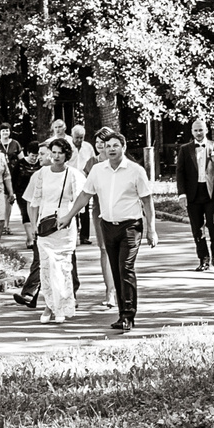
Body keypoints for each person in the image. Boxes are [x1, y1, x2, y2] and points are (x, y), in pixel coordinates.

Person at [84, 127, 152, 334]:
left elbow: (147, 202)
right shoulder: (98, 170)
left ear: (123, 147)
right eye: (108, 146)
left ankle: (128, 315)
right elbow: (85, 195)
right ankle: (122, 314)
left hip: (131, 227)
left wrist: (152, 230)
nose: (111, 149)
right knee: (115, 269)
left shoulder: (135, 171)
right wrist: (68, 217)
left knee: (125, 268)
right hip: (107, 225)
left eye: (115, 145)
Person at [23, 137, 87, 322]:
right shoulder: (42, 173)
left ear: (67, 155)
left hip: (65, 223)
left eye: (60, 153)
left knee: (63, 267)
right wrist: (34, 225)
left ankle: (62, 307)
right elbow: (34, 201)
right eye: (54, 152)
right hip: (45, 224)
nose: (57, 156)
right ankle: (49, 306)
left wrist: (69, 217)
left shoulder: (74, 174)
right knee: (46, 266)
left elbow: (80, 202)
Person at [173, 117, 214, 270]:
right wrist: (181, 194)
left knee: (213, 225)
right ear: (191, 132)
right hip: (192, 194)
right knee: (197, 228)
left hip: (211, 194)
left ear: (206, 130)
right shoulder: (185, 149)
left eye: (201, 130)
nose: (198, 133)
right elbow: (180, 173)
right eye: (195, 130)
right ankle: (203, 260)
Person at [2, 133, 33, 229]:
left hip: (13, 173)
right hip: (0, 174)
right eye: (3, 130)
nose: (5, 132)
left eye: (7, 130)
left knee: (9, 199)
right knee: (2, 200)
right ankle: (1, 224)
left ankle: (6, 224)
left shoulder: (15, 143)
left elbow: (22, 160)